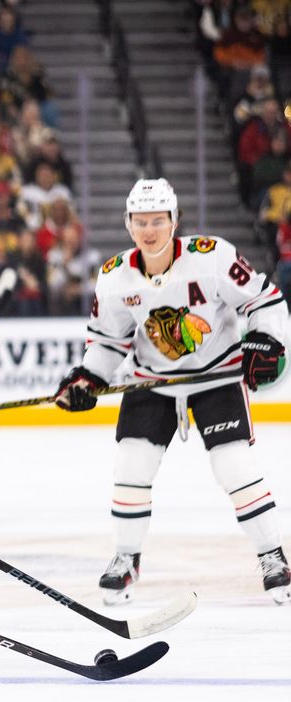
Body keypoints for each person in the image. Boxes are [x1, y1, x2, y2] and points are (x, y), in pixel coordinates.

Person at [54, 178, 290, 605]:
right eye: (141, 221)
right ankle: (126, 558)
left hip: (215, 376)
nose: (150, 230)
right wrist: (89, 377)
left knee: (233, 465)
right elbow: (107, 342)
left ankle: (272, 555)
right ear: (128, 224)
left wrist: (267, 341)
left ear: (174, 220)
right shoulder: (113, 277)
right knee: (131, 465)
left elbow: (264, 300)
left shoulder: (212, 258)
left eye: (158, 220)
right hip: (153, 382)